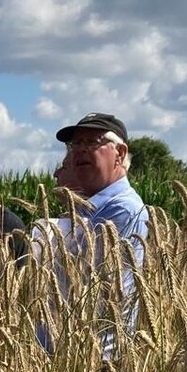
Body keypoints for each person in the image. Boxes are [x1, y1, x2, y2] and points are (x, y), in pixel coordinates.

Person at [44, 112, 150, 358]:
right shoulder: (87, 206)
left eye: (92, 142)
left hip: (94, 357)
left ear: (120, 153)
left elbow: (92, 283)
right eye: (75, 144)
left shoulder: (121, 209)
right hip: (67, 351)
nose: (79, 150)